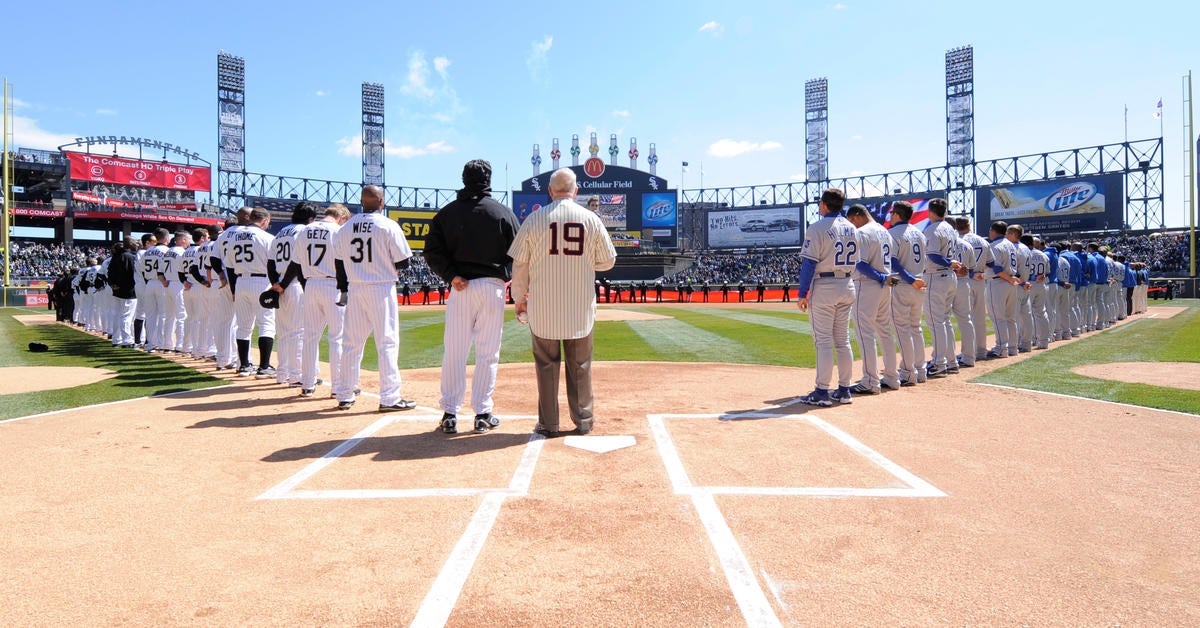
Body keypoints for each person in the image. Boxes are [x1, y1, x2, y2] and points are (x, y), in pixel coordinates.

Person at [508, 168, 617, 436]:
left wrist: (519, 299)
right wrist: (585, 262)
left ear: (550, 191)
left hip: (543, 308)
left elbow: (520, 265)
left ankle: (549, 424)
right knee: (580, 366)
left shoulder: (534, 219)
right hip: (579, 308)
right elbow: (608, 261)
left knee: (546, 366)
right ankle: (583, 420)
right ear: (575, 191)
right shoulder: (590, 219)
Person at [424, 159, 520, 434]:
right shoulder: (503, 212)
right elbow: (519, 252)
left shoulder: (447, 213)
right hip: (492, 287)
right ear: (488, 180)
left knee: (454, 352)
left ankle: (450, 414)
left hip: (460, 287)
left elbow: (432, 251)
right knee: (488, 353)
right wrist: (505, 276)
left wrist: (451, 274)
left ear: (463, 179)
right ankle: (482, 413)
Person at [333, 185, 417, 412]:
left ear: (362, 202)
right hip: (381, 287)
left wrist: (344, 288)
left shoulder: (346, 227)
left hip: (356, 287)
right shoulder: (388, 225)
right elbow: (404, 262)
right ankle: (389, 398)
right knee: (387, 343)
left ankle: (345, 394)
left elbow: (339, 262)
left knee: (351, 344)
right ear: (381, 201)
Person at [796, 189, 858, 406]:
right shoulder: (852, 228)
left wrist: (802, 293)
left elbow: (809, 263)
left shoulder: (817, 227)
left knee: (823, 341)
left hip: (825, 285)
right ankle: (844, 390)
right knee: (842, 341)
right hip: (847, 283)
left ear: (824, 204)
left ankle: (822, 392)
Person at [845, 204, 899, 394]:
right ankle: (892, 376)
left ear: (857, 216)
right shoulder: (885, 231)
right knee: (884, 331)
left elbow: (860, 264)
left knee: (865, 332)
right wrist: (883, 278)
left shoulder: (862, 232)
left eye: (852, 220)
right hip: (885, 286)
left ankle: (870, 381)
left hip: (867, 285)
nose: (852, 225)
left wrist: (880, 277)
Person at [267, 202, 318, 386]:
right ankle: (296, 376)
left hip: (280, 283)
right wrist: (283, 284)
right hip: (294, 283)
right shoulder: (304, 232)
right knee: (298, 332)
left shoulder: (280, 233)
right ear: (310, 218)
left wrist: (276, 283)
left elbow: (270, 263)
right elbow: (296, 263)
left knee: (283, 332)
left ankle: (282, 373)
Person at [887, 201, 928, 384]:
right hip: (919, 284)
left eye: (892, 213)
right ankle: (921, 370)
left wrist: (910, 279)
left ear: (897, 214)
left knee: (902, 329)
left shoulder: (892, 234)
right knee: (916, 328)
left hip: (903, 284)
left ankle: (908, 372)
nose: (890, 216)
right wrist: (915, 279)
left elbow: (893, 262)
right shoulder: (920, 233)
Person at [920, 198, 962, 376]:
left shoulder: (932, 229)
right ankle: (951, 361)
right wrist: (950, 264)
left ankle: (939, 363)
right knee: (944, 320)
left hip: (936, 276)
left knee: (936, 322)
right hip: (950, 277)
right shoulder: (951, 229)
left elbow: (933, 256)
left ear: (930, 211)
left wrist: (949, 263)